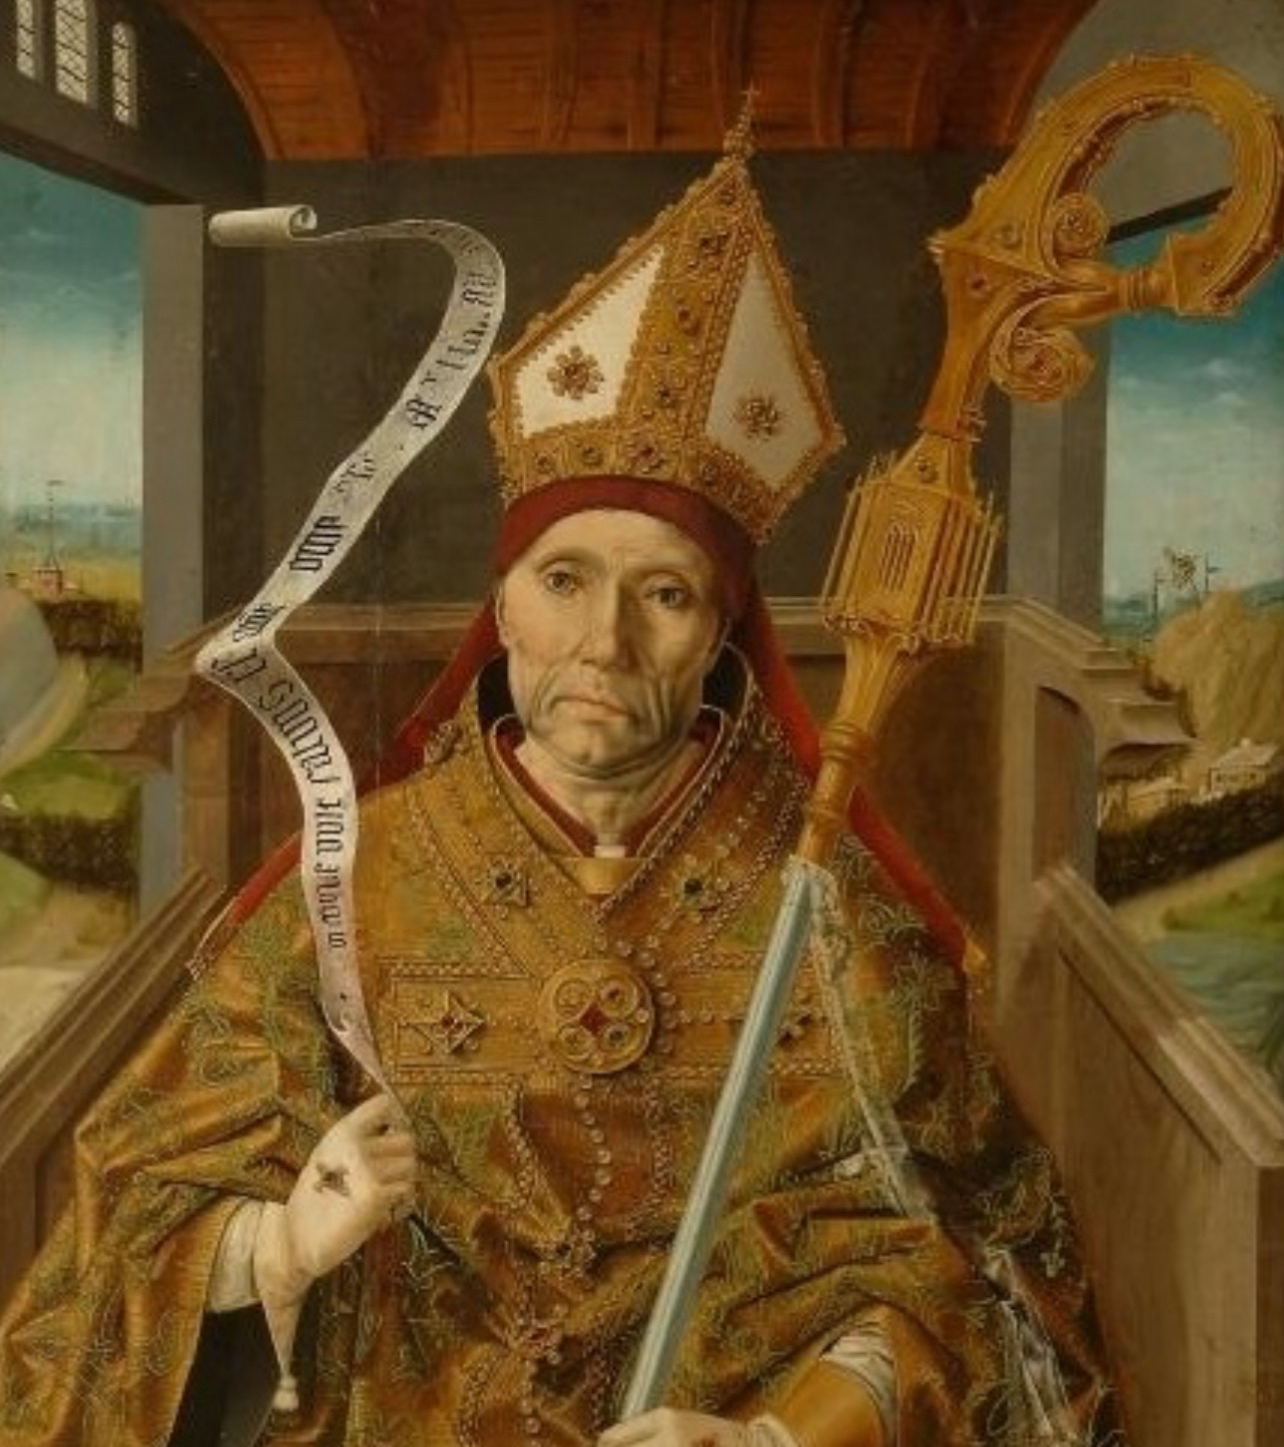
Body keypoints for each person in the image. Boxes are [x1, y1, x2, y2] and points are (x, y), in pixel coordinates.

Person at [0, 131, 1128, 1447]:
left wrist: (778, 1438)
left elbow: (985, 1274)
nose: (605, 643)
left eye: (665, 594)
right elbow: (124, 1232)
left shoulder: (832, 910)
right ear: (501, 606)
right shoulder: (356, 881)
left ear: (722, 634)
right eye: (564, 580)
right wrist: (281, 1245)